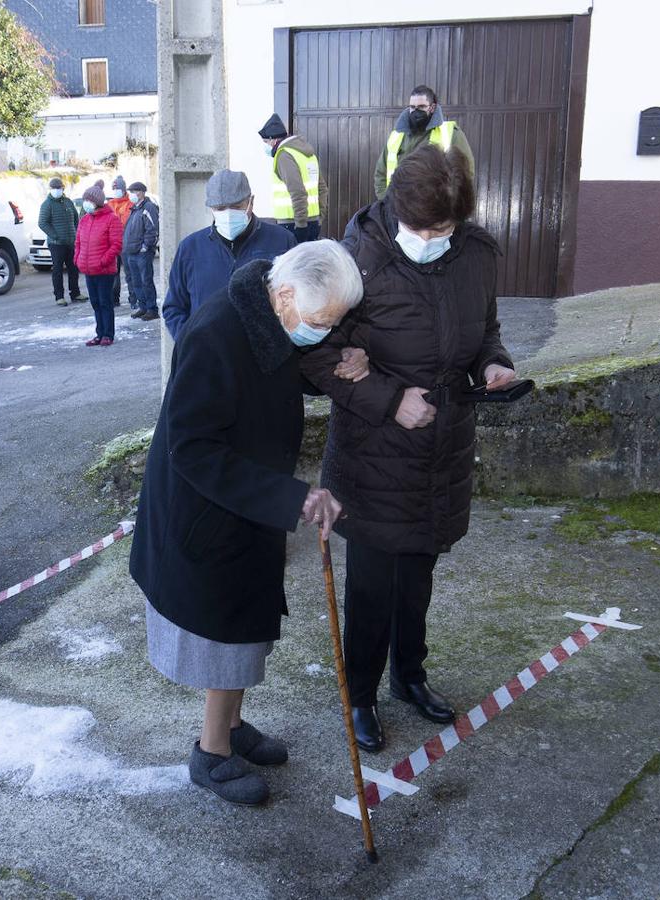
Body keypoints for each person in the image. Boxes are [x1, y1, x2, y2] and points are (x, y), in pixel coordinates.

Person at [130, 241, 370, 806]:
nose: (324, 331)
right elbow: (191, 448)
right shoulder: (217, 333)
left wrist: (346, 358)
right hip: (208, 512)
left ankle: (233, 727)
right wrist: (292, 497)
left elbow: (287, 368)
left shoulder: (268, 319)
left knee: (246, 627)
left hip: (248, 504)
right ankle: (211, 753)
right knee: (227, 635)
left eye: (334, 323)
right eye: (321, 322)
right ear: (285, 295)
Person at [300, 145, 515, 753]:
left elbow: (486, 330)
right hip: (373, 453)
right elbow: (317, 353)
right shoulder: (355, 258)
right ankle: (360, 694)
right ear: (395, 206)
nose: (431, 238)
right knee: (370, 587)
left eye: (443, 228)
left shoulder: (476, 255)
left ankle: (409, 677)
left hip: (443, 448)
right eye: (421, 227)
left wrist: (494, 364)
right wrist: (390, 399)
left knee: (418, 574)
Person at [162, 169, 296, 340]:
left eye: (236, 207)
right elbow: (174, 307)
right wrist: (189, 344)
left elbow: (296, 302)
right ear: (211, 208)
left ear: (251, 202)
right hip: (209, 355)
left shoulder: (281, 242)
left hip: (265, 357)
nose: (228, 214)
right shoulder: (190, 248)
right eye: (220, 208)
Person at [373, 85, 475, 199]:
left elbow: (466, 172)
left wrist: (448, 205)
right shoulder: (396, 135)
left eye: (421, 107)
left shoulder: (451, 133)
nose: (416, 111)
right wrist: (385, 202)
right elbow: (381, 173)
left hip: (433, 210)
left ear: (432, 107)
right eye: (412, 107)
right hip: (397, 210)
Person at [257, 113, 327, 243]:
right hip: (312, 221)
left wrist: (300, 224)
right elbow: (322, 189)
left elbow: (297, 191)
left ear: (274, 140)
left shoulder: (284, 156)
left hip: (292, 224)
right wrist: (319, 218)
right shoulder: (308, 154)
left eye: (266, 142)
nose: (266, 146)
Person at [74, 181, 122, 346]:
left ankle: (108, 334)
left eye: (89, 200)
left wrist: (103, 261)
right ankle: (99, 333)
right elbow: (78, 242)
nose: (86, 203)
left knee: (105, 302)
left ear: (97, 202)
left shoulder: (111, 219)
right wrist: (77, 259)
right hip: (89, 269)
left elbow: (116, 245)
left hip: (104, 270)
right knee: (95, 302)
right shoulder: (84, 220)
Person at [37, 177, 82, 306]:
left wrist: (76, 233)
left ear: (63, 188)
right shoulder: (47, 204)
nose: (57, 190)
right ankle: (59, 296)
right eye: (55, 188)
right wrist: (55, 236)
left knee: (73, 268)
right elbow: (42, 223)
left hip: (70, 241)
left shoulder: (68, 202)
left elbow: (75, 218)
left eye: (59, 188)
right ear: (51, 189)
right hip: (56, 244)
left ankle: (75, 293)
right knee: (57, 270)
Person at [122, 182, 160, 321]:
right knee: (135, 281)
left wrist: (145, 246)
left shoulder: (148, 207)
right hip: (131, 252)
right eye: (130, 191)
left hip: (142, 252)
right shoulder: (135, 209)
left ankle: (151, 309)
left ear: (142, 192)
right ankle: (143, 306)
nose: (131, 194)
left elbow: (153, 229)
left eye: (134, 191)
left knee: (146, 281)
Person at [106, 175, 134, 307]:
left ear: (123, 189)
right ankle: (113, 299)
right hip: (112, 244)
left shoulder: (130, 203)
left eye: (117, 188)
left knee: (130, 273)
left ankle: (133, 298)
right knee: (113, 273)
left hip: (126, 243)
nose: (115, 190)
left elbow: (128, 222)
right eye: (114, 188)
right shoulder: (109, 204)